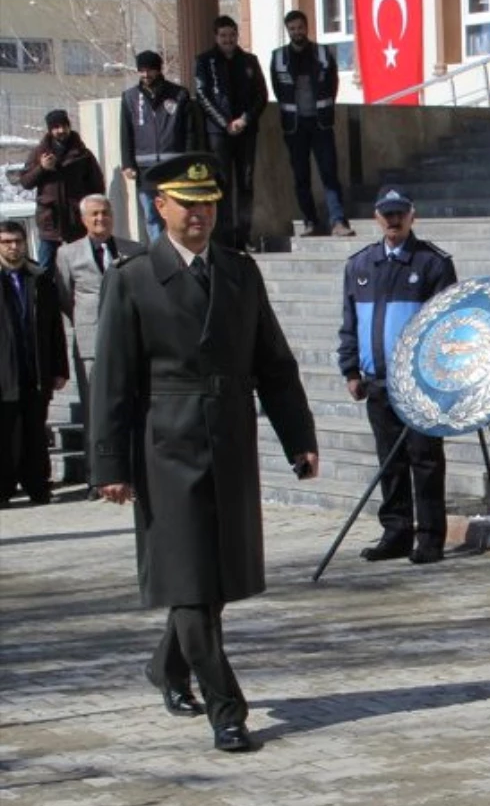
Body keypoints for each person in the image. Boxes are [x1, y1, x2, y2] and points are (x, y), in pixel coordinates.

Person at [90, 153, 319, 753]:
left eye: (209, 204)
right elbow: (112, 379)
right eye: (188, 205)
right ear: (159, 206)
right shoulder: (132, 277)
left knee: (207, 581)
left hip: (229, 440)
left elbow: (273, 363)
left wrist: (299, 437)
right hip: (165, 444)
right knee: (188, 582)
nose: (200, 215)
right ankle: (227, 708)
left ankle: (167, 666)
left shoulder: (240, 272)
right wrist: (109, 464)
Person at [338, 186, 456, 564]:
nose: (393, 220)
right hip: (378, 382)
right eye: (386, 214)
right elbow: (350, 323)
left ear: (411, 216)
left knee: (425, 460)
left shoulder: (433, 264)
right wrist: (350, 368)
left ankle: (430, 537)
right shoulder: (359, 265)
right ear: (376, 217)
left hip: (419, 385)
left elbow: (447, 327)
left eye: (399, 213)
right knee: (389, 460)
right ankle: (396, 531)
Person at [55, 195, 140, 495]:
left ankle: (131, 470)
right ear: (83, 219)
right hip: (92, 343)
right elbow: (66, 296)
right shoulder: (68, 254)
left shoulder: (134, 250)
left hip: (130, 338)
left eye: (105, 213)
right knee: (96, 410)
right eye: (94, 214)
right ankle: (97, 477)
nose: (100, 219)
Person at [0, 220, 68, 506]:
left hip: (35, 369)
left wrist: (59, 368)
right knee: (5, 434)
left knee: (35, 432)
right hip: (4, 372)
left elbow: (55, 328)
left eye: (17, 241)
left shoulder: (38, 278)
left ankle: (38, 486)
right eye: (6, 242)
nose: (13, 247)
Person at [270, 10, 354, 238]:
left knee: (329, 173)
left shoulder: (323, 53)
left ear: (307, 27)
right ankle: (310, 221)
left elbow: (332, 84)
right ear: (288, 30)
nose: (297, 32)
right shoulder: (278, 57)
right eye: (292, 29)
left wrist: (323, 110)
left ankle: (338, 221)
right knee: (301, 176)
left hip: (321, 124)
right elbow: (278, 89)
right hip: (294, 127)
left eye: (300, 27)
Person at [195, 15, 269, 250]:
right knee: (221, 184)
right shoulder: (205, 61)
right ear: (216, 37)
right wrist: (225, 122)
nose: (228, 40)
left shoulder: (249, 61)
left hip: (246, 131)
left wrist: (245, 119)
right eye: (223, 36)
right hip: (218, 133)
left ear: (237, 36)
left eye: (232, 35)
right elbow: (202, 95)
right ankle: (224, 238)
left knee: (246, 182)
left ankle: (244, 236)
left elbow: (261, 95)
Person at [120, 50, 193, 244]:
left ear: (159, 70)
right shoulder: (130, 97)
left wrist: (189, 160)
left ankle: (180, 251)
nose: (146, 75)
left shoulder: (179, 94)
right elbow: (125, 133)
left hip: (174, 167)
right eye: (141, 71)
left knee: (176, 212)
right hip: (145, 169)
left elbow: (189, 132)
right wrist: (128, 163)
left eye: (150, 70)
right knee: (152, 216)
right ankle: (159, 256)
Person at [17, 110, 104, 271]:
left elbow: (97, 186)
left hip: (76, 220)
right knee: (45, 269)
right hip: (50, 221)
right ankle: (46, 296)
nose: (61, 131)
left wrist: (91, 212)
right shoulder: (39, 153)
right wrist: (42, 168)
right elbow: (25, 182)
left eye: (64, 126)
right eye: (56, 127)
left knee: (83, 266)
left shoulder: (82, 153)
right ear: (50, 130)